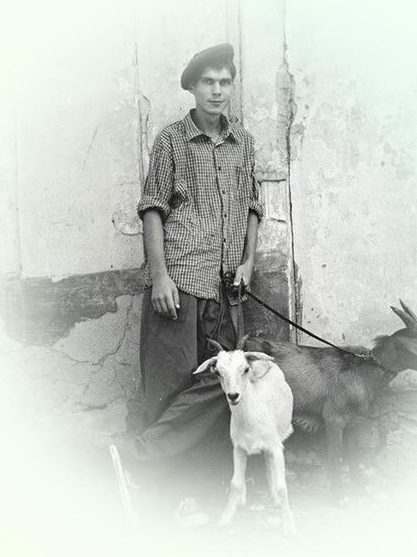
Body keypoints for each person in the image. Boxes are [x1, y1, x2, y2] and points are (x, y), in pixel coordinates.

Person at [112, 43, 264, 527]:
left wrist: (248, 262)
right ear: (193, 88)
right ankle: (168, 495)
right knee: (171, 387)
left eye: (225, 82)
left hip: (227, 291)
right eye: (208, 82)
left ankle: (141, 460)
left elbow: (252, 207)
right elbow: (152, 209)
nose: (217, 91)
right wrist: (159, 276)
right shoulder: (172, 141)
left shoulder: (244, 143)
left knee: (224, 385)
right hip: (178, 286)